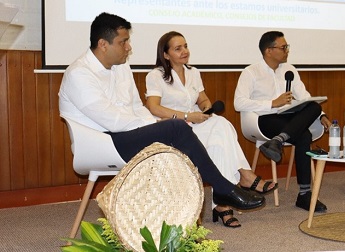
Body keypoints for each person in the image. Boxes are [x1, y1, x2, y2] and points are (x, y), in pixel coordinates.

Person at [57, 12, 265, 217]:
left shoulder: (120, 67)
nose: (129, 48)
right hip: (102, 142)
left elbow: (137, 106)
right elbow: (112, 120)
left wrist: (152, 126)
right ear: (103, 44)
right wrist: (153, 128)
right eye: (123, 42)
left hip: (125, 134)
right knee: (176, 128)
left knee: (191, 129)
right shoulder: (79, 74)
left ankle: (214, 195)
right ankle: (224, 189)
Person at [144, 31, 277, 228]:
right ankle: (242, 178)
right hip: (172, 129)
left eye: (186, 46)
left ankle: (224, 202)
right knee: (220, 130)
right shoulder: (156, 76)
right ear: (165, 54)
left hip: (196, 124)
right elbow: (153, 107)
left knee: (220, 130)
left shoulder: (193, 72)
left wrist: (206, 108)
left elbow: (202, 99)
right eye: (178, 48)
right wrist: (188, 116)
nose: (184, 51)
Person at [234, 31, 332, 212]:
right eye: (283, 47)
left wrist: (322, 115)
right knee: (303, 135)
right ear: (268, 50)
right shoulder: (251, 72)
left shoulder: (290, 70)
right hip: (263, 119)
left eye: (287, 47)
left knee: (315, 107)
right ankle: (305, 194)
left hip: (288, 118)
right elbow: (238, 102)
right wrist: (272, 103)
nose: (287, 50)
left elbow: (305, 97)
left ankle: (277, 142)